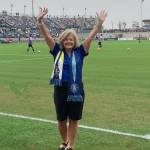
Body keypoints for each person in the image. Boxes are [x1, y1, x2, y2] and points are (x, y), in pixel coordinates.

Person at [38, 8, 107, 150]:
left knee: (74, 119)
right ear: (62, 41)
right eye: (66, 39)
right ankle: (65, 142)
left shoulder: (80, 51)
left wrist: (98, 24)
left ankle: (71, 145)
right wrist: (40, 22)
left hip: (76, 89)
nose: (68, 41)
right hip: (60, 89)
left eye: (71, 39)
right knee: (61, 119)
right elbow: (47, 37)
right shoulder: (57, 50)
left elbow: (90, 37)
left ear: (74, 41)